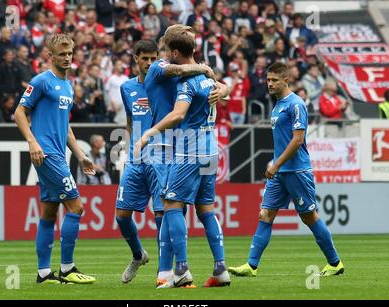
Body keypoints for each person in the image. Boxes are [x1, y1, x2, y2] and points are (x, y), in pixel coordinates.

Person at [227, 62, 344, 278]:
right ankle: (251, 265)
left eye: (274, 80)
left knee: (309, 217)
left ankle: (335, 263)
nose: (269, 84)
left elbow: (298, 139)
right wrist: (277, 165)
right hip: (280, 172)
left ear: (286, 80)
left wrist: (277, 163)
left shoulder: (295, 104)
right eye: (268, 80)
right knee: (265, 214)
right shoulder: (277, 105)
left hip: (297, 170)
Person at [135, 25, 231, 288]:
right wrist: (214, 78)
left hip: (184, 146)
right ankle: (214, 269)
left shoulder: (188, 80)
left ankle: (179, 270)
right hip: (196, 148)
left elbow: (179, 113)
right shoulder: (171, 70)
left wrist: (147, 133)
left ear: (176, 49)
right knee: (197, 209)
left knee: (171, 206)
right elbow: (182, 70)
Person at [14, 33, 96, 285]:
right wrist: (32, 142)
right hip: (47, 154)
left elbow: (66, 126)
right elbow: (19, 112)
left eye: (69, 53)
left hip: (59, 153)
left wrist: (81, 155)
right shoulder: (41, 81)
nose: (67, 58)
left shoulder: (68, 86)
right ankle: (68, 268)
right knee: (77, 207)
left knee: (49, 212)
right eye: (61, 54)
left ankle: (43, 274)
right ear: (50, 55)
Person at [114, 40, 162, 284]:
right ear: (136, 58)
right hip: (136, 158)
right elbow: (130, 119)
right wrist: (130, 144)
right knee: (122, 215)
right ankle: (138, 255)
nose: (150, 63)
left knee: (162, 214)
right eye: (145, 59)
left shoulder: (165, 85)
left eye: (154, 58)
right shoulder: (127, 88)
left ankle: (163, 271)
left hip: (161, 157)